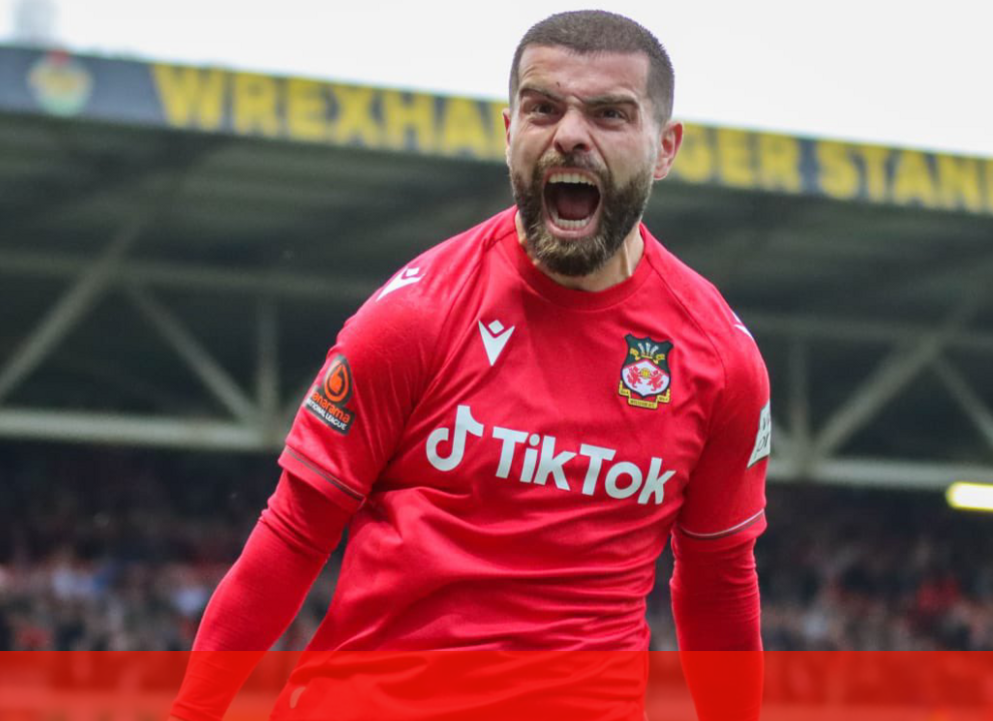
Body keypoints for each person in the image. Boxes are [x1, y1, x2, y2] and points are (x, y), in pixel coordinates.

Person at [169, 10, 770, 721]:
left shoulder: (720, 360)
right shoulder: (414, 315)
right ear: (509, 131)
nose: (570, 134)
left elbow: (717, 581)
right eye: (543, 108)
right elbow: (295, 535)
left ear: (665, 148)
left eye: (609, 114)